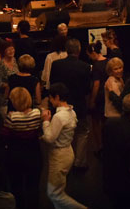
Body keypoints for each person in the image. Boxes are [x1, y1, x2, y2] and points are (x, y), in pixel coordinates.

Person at [40, 83, 87, 209]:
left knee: (54, 193)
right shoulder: (72, 112)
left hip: (59, 156)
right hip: (68, 152)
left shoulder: (59, 116)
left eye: (50, 98)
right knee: (59, 189)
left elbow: (50, 138)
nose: (50, 100)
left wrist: (45, 121)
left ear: (57, 97)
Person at [50, 38, 92, 169]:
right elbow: (87, 89)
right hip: (79, 105)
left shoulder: (56, 65)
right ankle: (79, 162)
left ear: (66, 50)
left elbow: (52, 85)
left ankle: (64, 161)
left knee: (61, 134)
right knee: (82, 133)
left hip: (62, 105)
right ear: (79, 50)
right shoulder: (85, 67)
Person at [1, 87, 42, 209]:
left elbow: (4, 136)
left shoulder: (11, 117)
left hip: (15, 154)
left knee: (16, 186)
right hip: (34, 152)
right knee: (33, 186)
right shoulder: (37, 113)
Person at [0, 41, 19, 116]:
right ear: (4, 51)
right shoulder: (1, 64)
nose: (11, 51)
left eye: (12, 49)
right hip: (4, 99)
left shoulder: (14, 60)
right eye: (9, 50)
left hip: (15, 97)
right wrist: (7, 85)